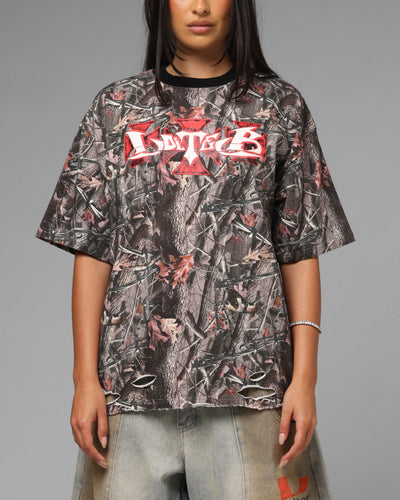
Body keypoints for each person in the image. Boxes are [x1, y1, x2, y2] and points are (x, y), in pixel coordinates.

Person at [35, 1, 356, 498]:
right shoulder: (116, 107)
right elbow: (93, 250)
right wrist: (84, 381)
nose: (200, 6)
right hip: (130, 388)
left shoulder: (279, 107)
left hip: (250, 390)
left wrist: (304, 381)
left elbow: (300, 247)